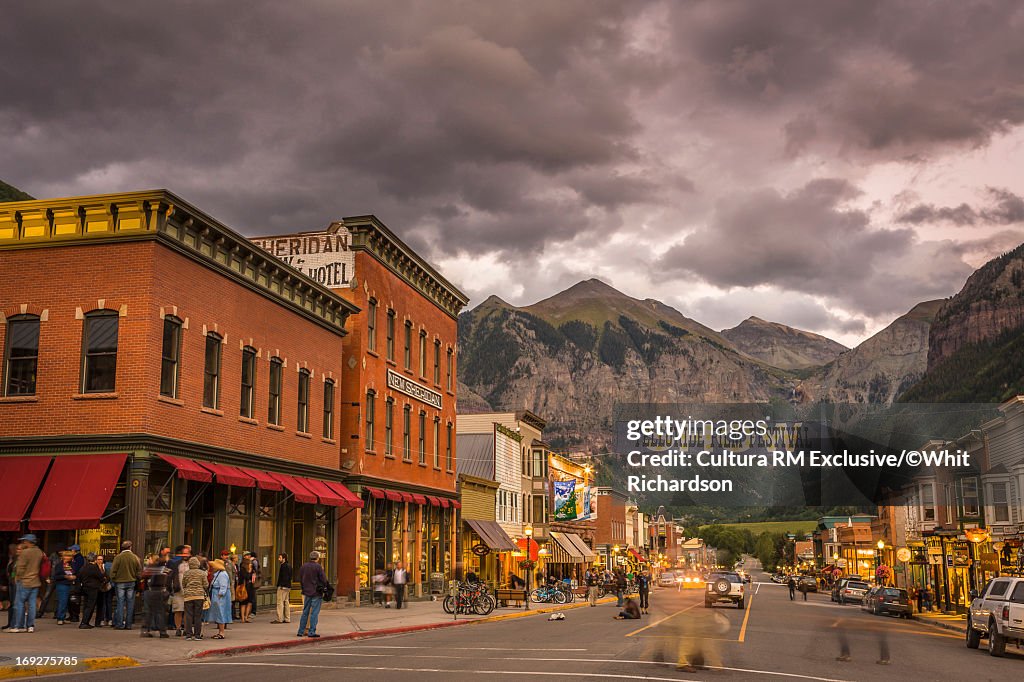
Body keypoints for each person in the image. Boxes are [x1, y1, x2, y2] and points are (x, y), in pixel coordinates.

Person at [8, 534, 44, 633]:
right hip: (35, 581)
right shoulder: (39, 552)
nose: (23, 542)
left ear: (28, 542)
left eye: (24, 541)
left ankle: (19, 626)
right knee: (32, 604)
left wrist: (17, 578)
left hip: (24, 580)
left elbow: (20, 567)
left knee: (19, 603)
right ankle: (30, 626)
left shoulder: (25, 552)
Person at [110, 540, 141, 630]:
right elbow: (139, 571)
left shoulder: (118, 557)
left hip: (120, 582)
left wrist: (114, 579)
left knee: (120, 603)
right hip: (131, 581)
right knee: (130, 603)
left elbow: (113, 571)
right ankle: (128, 624)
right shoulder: (135, 557)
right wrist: (137, 579)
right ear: (130, 547)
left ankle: (119, 624)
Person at [296, 551, 327, 638]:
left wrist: (304, 588)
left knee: (305, 612)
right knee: (314, 613)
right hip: (316, 592)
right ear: (317, 558)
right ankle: (311, 631)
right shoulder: (318, 567)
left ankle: (300, 631)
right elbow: (324, 579)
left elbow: (301, 579)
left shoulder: (304, 566)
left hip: (306, 592)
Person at [141, 556, 171, 638]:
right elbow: (169, 579)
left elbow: (143, 576)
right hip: (161, 591)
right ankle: (162, 631)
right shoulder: (166, 570)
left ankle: (145, 630)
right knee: (161, 612)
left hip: (150, 591)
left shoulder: (150, 569)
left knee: (148, 612)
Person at [78, 553, 107, 628]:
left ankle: (85, 622)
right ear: (94, 559)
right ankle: (84, 623)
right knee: (90, 606)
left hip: (85, 588)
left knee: (86, 605)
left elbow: (79, 576)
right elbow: (101, 576)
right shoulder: (94, 567)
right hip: (93, 588)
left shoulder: (84, 567)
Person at [181, 557, 207, 641]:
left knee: (188, 615)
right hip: (199, 595)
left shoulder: (186, 573)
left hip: (188, 596)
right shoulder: (202, 573)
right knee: (198, 616)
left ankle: (188, 635)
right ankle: (197, 635)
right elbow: (206, 584)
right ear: (198, 564)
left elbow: (183, 584)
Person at [167, 545, 190, 636]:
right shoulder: (174, 563)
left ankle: (185, 627)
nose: (185, 555)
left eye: (187, 553)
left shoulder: (192, 563)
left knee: (187, 610)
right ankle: (178, 628)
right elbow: (169, 576)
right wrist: (170, 587)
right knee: (178, 610)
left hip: (189, 590)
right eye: (184, 553)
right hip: (178, 589)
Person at [207, 559, 231, 639]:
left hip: (219, 595)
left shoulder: (222, 575)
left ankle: (221, 632)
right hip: (216, 593)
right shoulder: (219, 574)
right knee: (219, 612)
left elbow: (223, 586)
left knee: (221, 612)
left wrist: (220, 594)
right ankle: (220, 631)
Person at [53, 548, 77, 625]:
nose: (69, 558)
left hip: (70, 584)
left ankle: (63, 617)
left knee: (67, 602)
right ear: (64, 557)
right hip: (62, 585)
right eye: (68, 556)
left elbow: (75, 572)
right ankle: (60, 618)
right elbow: (56, 576)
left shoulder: (71, 564)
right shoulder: (59, 565)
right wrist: (65, 576)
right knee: (62, 601)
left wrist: (74, 576)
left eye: (70, 556)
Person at [273, 553, 292, 624]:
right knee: (286, 602)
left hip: (282, 587)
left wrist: (281, 585)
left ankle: (279, 618)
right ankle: (287, 618)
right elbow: (290, 577)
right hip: (288, 586)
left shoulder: (283, 566)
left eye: (280, 558)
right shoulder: (289, 566)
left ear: (284, 558)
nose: (279, 559)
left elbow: (283, 577)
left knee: (280, 602)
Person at [238, 555, 256, 623]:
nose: (251, 565)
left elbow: (254, 577)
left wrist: (252, 572)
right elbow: (246, 577)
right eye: (250, 563)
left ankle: (246, 616)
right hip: (244, 587)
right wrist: (249, 571)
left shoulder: (252, 570)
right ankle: (242, 617)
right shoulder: (243, 570)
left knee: (250, 602)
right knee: (243, 603)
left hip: (251, 587)